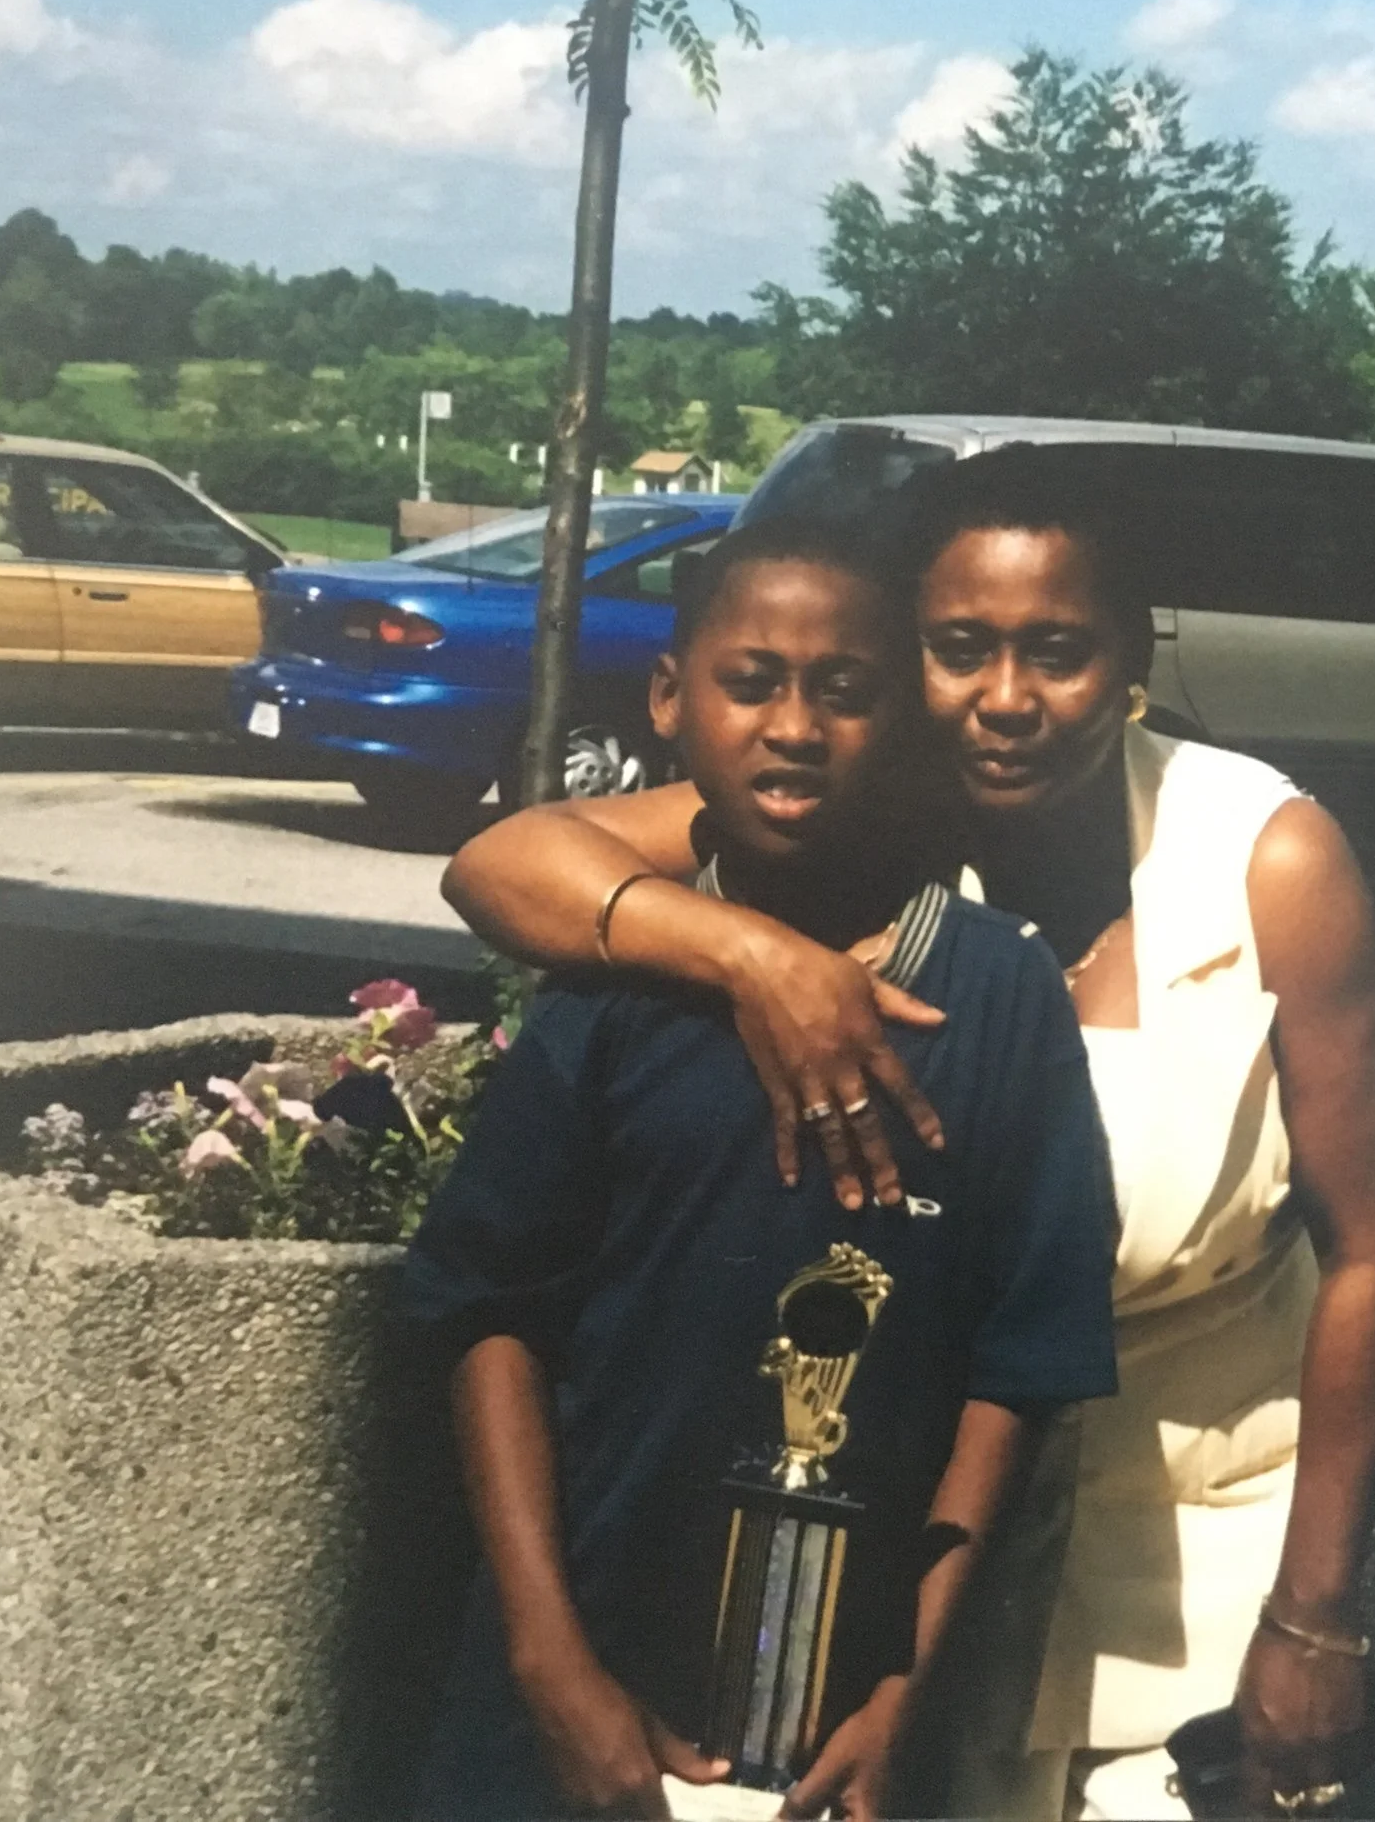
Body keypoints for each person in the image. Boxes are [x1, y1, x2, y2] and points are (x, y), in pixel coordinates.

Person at [442, 448, 1375, 1820]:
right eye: (960, 650)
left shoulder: (1265, 857)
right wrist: (745, 953)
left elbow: (1373, 1248)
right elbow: (505, 862)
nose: (1006, 700)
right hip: (915, 1569)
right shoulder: (860, 820)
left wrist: (1318, 1614)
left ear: (1132, 657)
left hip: (1192, 1549)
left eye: (1059, 652)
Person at [404, 516, 1121, 1822]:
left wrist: (906, 1681)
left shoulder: (1000, 995)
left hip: (846, 1718)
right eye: (752, 682)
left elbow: (1020, 1367)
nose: (795, 725)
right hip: (587, 1673)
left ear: (905, 712)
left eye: (846, 691)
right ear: (672, 700)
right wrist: (546, 1656)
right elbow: (491, 1307)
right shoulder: (615, 985)